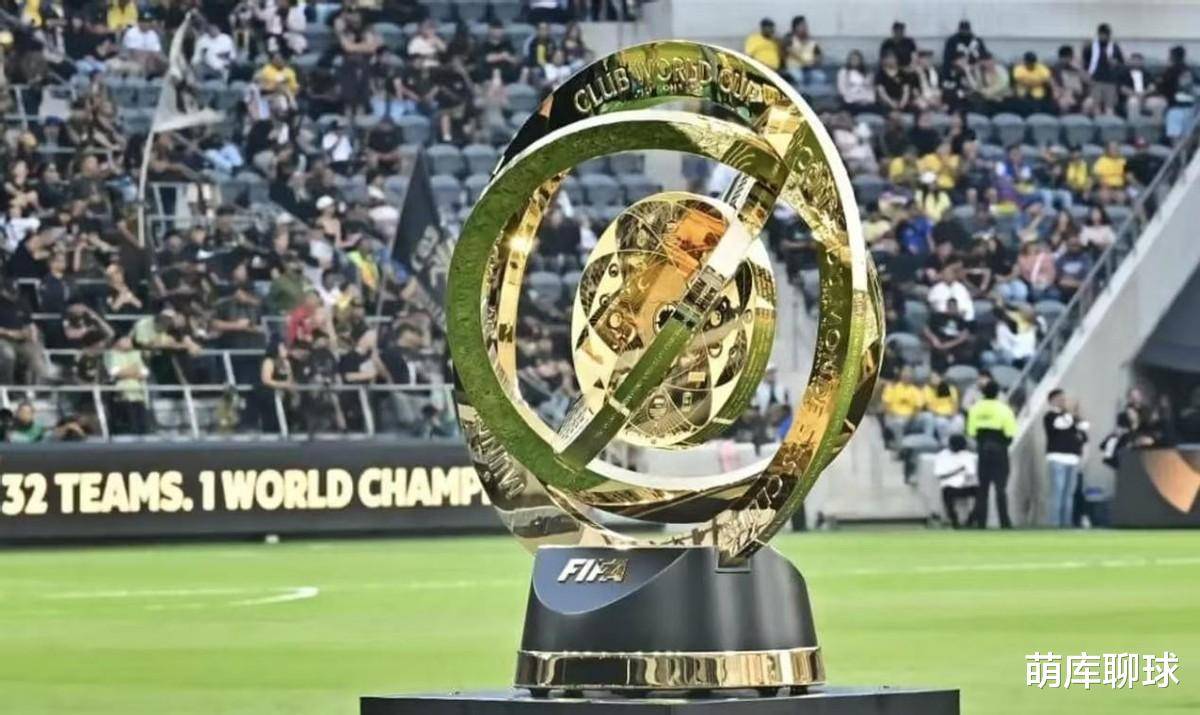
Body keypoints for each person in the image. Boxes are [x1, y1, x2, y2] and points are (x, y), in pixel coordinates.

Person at [966, 381, 1017, 528]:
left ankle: (981, 523)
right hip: (1000, 451)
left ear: (983, 393)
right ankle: (1004, 522)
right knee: (1001, 489)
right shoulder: (1004, 409)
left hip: (983, 450)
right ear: (997, 393)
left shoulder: (975, 408)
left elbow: (971, 432)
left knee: (983, 489)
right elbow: (1010, 433)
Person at [1044, 389, 1089, 527]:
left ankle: (1066, 524)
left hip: (1072, 458)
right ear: (1052, 400)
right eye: (1060, 398)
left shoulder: (1072, 418)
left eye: (1064, 398)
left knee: (1069, 494)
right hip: (1057, 458)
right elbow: (1061, 424)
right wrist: (1069, 413)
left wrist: (1076, 414)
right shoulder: (1050, 416)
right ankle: (1055, 524)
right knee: (1057, 492)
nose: (1063, 401)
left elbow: (1084, 428)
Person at [104, 332, 150, 435]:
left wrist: (127, 372)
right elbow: (115, 373)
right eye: (126, 340)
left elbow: (144, 373)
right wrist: (134, 370)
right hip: (121, 395)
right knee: (129, 424)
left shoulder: (136, 354)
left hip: (138, 394)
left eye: (129, 340)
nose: (129, 342)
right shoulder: (111, 354)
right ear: (116, 342)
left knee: (142, 424)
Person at [934, 434, 977, 527]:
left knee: (982, 494)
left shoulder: (967, 455)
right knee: (946, 494)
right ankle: (954, 521)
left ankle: (971, 520)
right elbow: (940, 475)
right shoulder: (942, 455)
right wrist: (957, 471)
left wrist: (966, 481)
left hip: (965, 485)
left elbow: (971, 473)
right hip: (949, 486)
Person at [1082, 23, 1124, 115]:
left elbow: (1121, 64)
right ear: (1099, 34)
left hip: (1111, 81)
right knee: (1095, 106)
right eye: (1102, 34)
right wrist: (1087, 76)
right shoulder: (1090, 47)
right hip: (1095, 80)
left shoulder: (1115, 47)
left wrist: (1116, 63)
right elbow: (1085, 64)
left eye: (1106, 34)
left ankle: (1109, 121)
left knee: (1109, 107)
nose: (1104, 36)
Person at [784, 15, 823, 86]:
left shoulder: (811, 42)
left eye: (806, 25)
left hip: (809, 69)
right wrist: (805, 61)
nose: (805, 27)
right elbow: (789, 51)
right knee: (798, 77)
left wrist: (816, 60)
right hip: (794, 68)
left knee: (820, 77)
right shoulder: (789, 39)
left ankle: (812, 92)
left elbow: (819, 56)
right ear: (795, 27)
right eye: (802, 25)